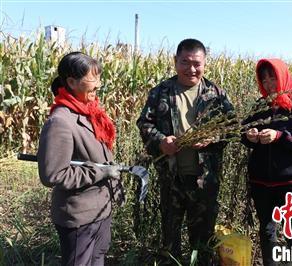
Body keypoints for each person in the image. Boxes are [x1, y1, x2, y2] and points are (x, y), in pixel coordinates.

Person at [136, 38, 234, 265]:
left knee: (202, 241)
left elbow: (232, 126)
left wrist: (213, 137)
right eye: (185, 62)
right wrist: (161, 141)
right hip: (171, 180)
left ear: (205, 63)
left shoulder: (216, 94)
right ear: (175, 62)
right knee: (170, 239)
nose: (191, 69)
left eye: (197, 63)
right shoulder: (160, 92)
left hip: (204, 181)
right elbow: (144, 123)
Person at [37, 52, 124, 266]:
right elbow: (54, 174)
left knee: (97, 259)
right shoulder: (60, 121)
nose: (99, 84)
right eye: (93, 78)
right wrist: (101, 171)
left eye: (98, 77)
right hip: (80, 216)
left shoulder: (89, 113)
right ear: (71, 82)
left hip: (100, 210)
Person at [241, 58, 292, 265]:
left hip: (291, 183)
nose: (269, 85)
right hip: (261, 182)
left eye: (273, 78)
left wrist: (280, 136)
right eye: (264, 80)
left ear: (283, 77)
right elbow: (243, 132)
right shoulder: (261, 106)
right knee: (267, 232)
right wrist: (249, 135)